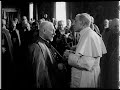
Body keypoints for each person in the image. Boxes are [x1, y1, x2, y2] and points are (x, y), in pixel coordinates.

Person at [64, 13, 107, 88]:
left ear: (82, 23)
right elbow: (85, 54)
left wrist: (69, 55)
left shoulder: (89, 36)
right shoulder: (87, 34)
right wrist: (73, 52)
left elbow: (86, 63)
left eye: (75, 21)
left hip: (85, 78)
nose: (73, 23)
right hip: (86, 76)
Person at [26, 21, 66, 88]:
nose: (54, 33)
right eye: (52, 30)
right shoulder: (37, 47)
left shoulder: (46, 42)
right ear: (44, 31)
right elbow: (39, 75)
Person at [105, 18, 119, 89]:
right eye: (114, 26)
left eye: (117, 26)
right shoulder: (110, 35)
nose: (116, 28)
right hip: (109, 66)